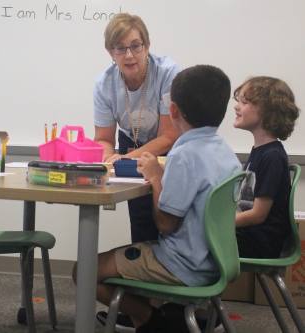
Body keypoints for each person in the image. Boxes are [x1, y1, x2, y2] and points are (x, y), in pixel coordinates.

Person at [77, 65, 241, 333]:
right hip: (215, 261)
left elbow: (165, 223)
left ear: (173, 110)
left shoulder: (183, 155)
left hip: (182, 265)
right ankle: (160, 319)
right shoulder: (224, 151)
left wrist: (155, 178)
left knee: (84, 270)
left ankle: (150, 321)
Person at [93, 12, 180, 245]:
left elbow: (170, 135)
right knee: (140, 217)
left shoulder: (168, 73)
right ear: (110, 52)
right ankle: (140, 270)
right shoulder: (104, 83)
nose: (129, 55)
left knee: (167, 214)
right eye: (120, 49)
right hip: (130, 142)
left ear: (147, 45)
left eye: (135, 46)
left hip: (166, 148)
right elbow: (103, 138)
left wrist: (125, 159)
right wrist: (108, 158)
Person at [233, 77, 300, 258]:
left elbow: (257, 215)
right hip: (252, 236)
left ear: (267, 112)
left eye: (244, 102)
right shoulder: (259, 151)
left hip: (261, 242)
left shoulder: (273, 156)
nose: (236, 107)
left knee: (197, 239)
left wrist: (220, 224)